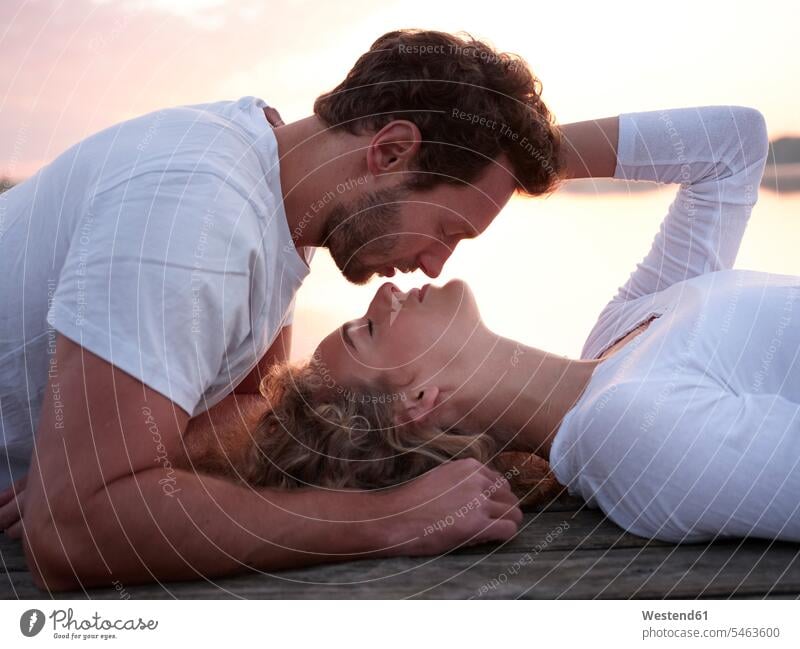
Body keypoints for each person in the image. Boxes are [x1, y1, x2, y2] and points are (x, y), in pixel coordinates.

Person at [0, 29, 570, 590]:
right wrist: (391, 518)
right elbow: (72, 535)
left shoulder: (273, 191)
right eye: (447, 230)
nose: (435, 264)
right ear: (391, 151)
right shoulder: (195, 215)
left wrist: (96, 464)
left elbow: (245, 408)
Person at [178, 104, 799, 544]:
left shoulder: (619, 333)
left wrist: (497, 162)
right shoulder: (624, 433)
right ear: (419, 399)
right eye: (366, 331)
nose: (385, 292)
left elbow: (732, 148)